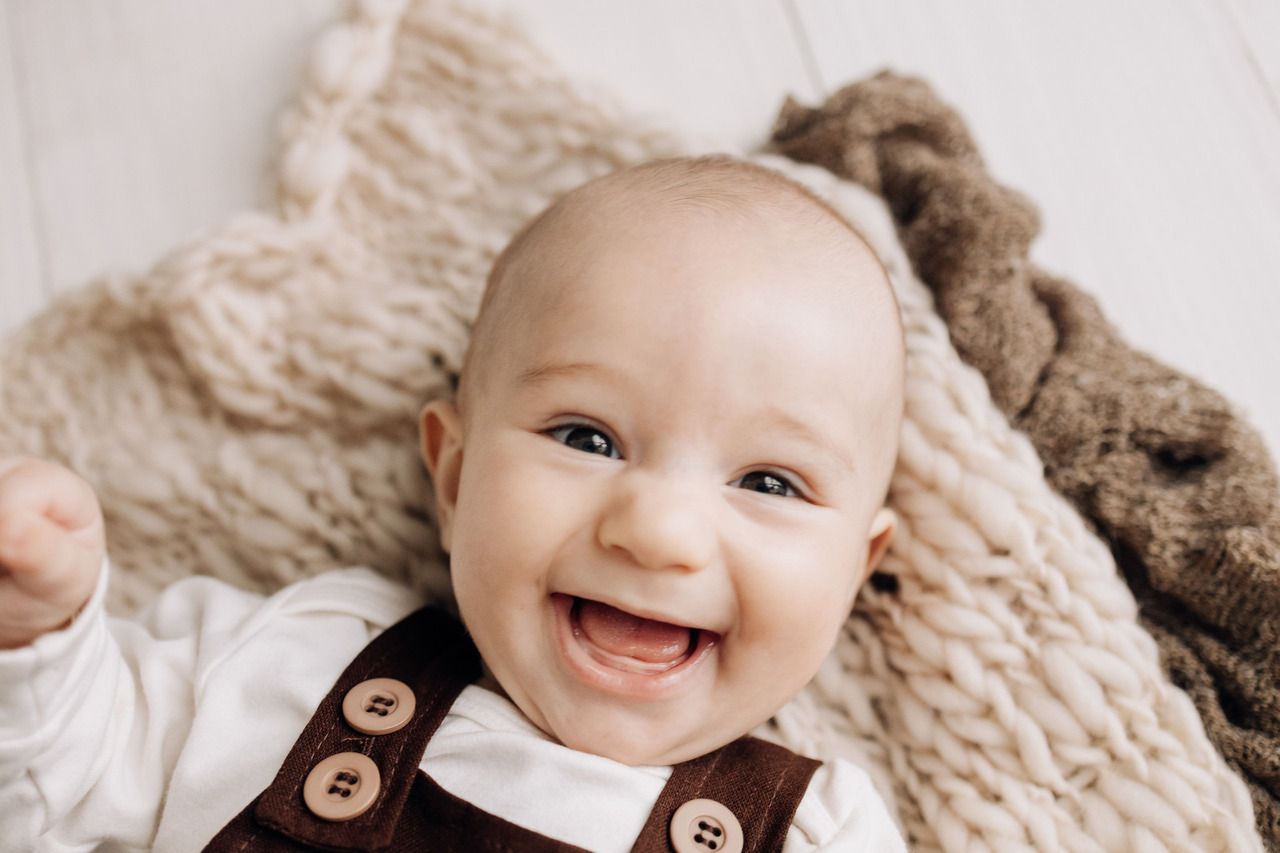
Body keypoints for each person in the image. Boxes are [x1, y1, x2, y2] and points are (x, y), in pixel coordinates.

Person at [0, 156, 908, 851]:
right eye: (586, 438)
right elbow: (54, 778)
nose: (659, 531)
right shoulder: (304, 659)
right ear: (454, 478)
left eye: (769, 483)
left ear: (855, 571)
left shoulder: (816, 832)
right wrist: (37, 632)